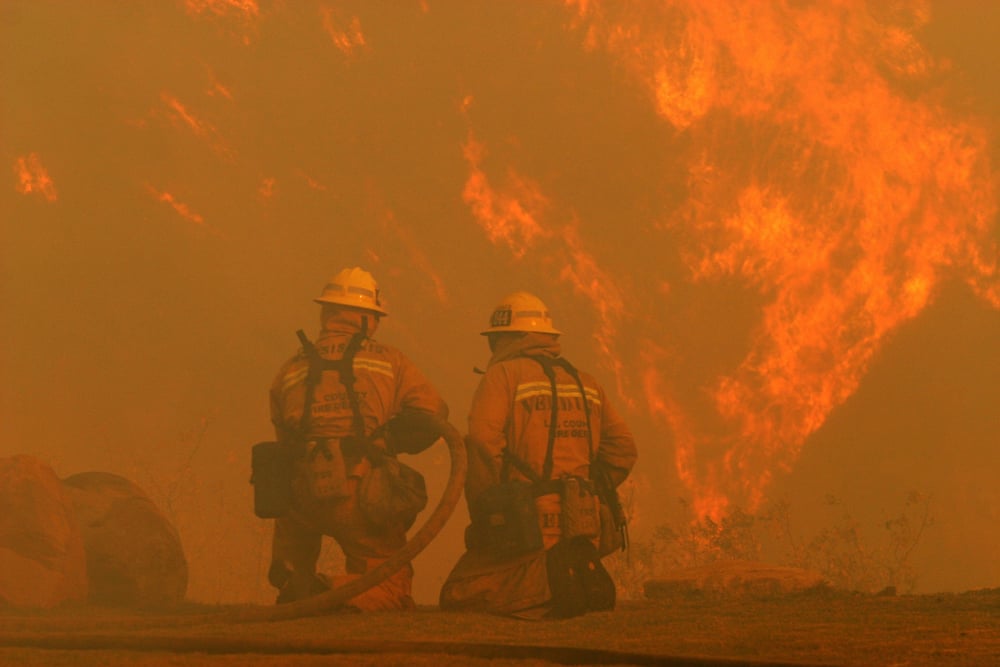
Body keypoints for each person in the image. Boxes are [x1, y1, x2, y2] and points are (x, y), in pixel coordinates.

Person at [439, 291, 637, 618]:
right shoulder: (586, 382)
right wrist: (588, 490)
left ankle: (551, 588)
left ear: (507, 338)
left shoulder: (502, 376)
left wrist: (490, 504)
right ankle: (575, 575)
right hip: (583, 522)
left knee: (458, 594)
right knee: (552, 563)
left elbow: (482, 441)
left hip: (526, 522)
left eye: (495, 340)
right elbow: (624, 450)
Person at [266, 267, 448, 611]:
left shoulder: (290, 368)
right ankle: (327, 590)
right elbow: (434, 413)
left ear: (327, 313)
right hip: (361, 488)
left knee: (293, 559)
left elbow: (282, 437)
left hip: (300, 489)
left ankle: (295, 582)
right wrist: (391, 441)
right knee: (387, 581)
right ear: (366, 319)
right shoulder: (389, 361)